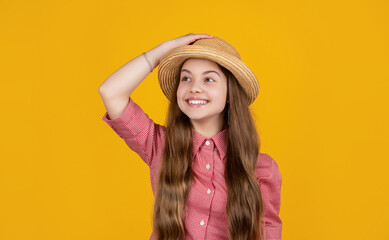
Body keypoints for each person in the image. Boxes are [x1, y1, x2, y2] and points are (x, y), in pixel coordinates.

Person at [98, 33, 282, 240]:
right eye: (186, 78)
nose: (194, 87)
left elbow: (267, 232)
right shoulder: (159, 146)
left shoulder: (262, 169)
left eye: (209, 79)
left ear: (230, 93)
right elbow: (110, 91)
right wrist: (163, 50)